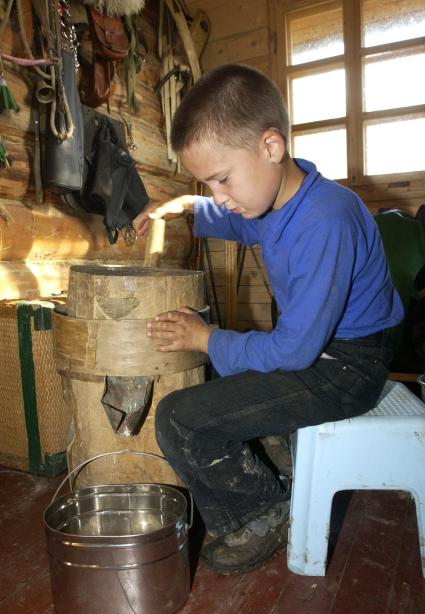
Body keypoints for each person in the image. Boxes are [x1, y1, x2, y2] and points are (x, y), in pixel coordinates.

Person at [134, 63, 403, 576]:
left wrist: (206, 336)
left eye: (221, 178)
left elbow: (294, 351)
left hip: (348, 367)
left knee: (180, 419)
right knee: (221, 376)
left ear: (271, 147)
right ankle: (279, 453)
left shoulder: (326, 219)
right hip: (324, 353)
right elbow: (237, 219)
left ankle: (263, 511)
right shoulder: (276, 200)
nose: (219, 195)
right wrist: (186, 206)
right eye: (207, 184)